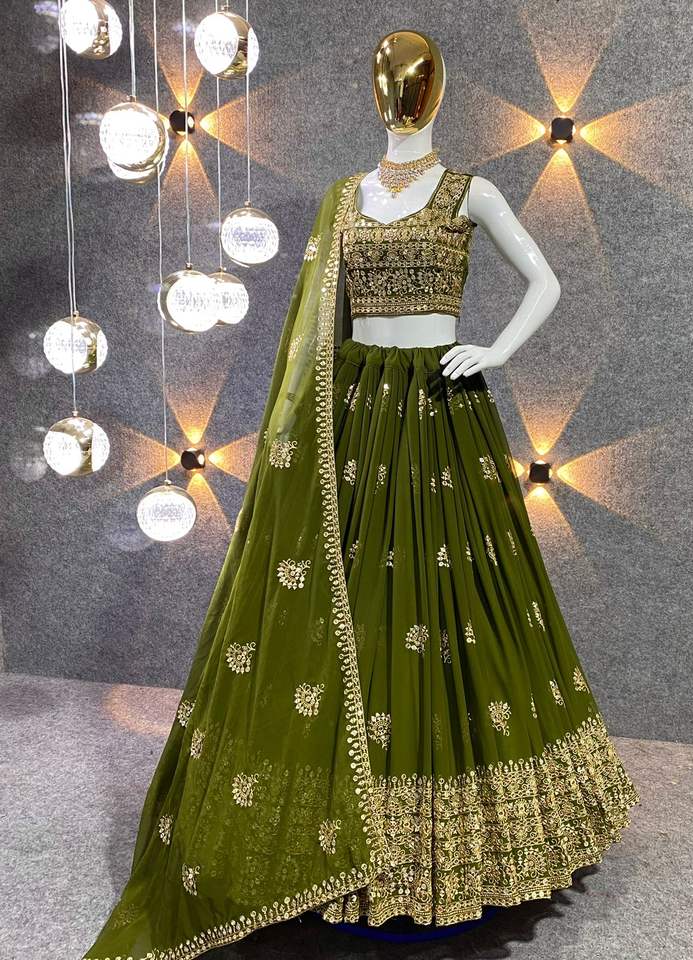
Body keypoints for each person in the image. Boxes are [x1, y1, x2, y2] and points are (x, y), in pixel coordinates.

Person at [83, 29, 639, 960]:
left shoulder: (471, 192)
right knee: (360, 599)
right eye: (387, 79)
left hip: (445, 408)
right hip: (360, 419)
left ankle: (457, 843)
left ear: (437, 93)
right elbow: (319, 328)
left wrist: (494, 351)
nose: (400, 94)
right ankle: (345, 828)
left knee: (454, 601)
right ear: (373, 93)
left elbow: (546, 281)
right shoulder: (345, 199)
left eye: (414, 81)